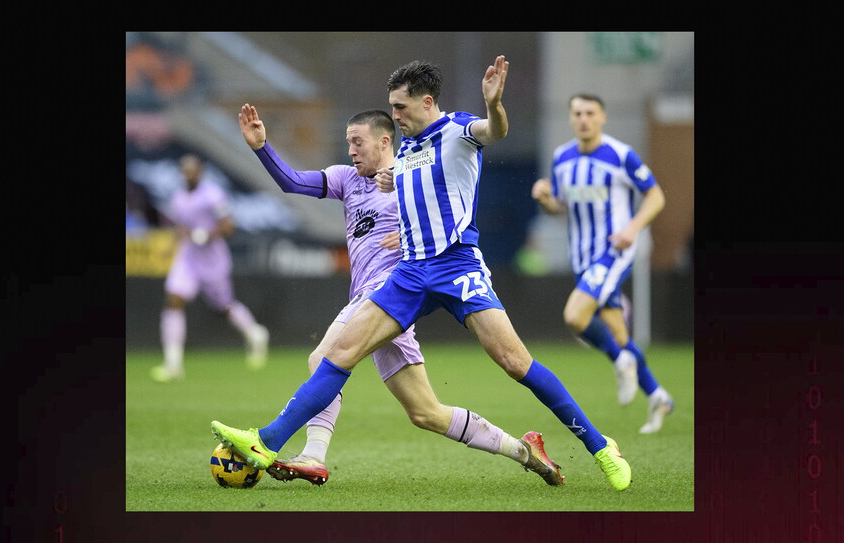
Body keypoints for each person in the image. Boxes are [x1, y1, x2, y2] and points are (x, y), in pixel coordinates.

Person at [212, 56, 631, 491]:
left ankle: (602, 447)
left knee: (515, 363)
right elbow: (408, 189)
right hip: (411, 273)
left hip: (456, 266)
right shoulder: (406, 152)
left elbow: (496, 132)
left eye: (400, 108)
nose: (395, 116)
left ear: (426, 102)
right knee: (337, 356)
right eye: (391, 109)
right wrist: (396, 193)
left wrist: (495, 105)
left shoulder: (459, 130)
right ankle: (266, 441)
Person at [237, 104, 564, 486]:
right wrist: (262, 147)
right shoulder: (347, 179)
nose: (351, 151)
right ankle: (526, 452)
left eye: (357, 143)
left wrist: (410, 234)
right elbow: (293, 182)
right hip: (375, 306)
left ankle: (313, 454)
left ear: (384, 141)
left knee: (322, 357)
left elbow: (449, 223)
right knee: (426, 413)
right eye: (348, 143)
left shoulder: (412, 180)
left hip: (390, 293)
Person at [530, 93, 674, 433]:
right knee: (620, 335)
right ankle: (657, 395)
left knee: (574, 316)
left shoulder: (619, 154)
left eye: (590, 113)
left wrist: (632, 229)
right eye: (577, 113)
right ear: (570, 118)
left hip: (614, 250)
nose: (583, 119)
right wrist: (546, 198)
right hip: (582, 256)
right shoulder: (562, 158)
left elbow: (656, 195)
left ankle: (622, 361)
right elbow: (559, 208)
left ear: (602, 117)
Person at [149, 153, 269, 382]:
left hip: (213, 260)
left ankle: (255, 333)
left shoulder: (213, 196)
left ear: (200, 172)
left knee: (223, 306)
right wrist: (170, 245)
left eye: (192, 169)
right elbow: (180, 228)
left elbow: (229, 226)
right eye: (185, 170)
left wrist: (207, 234)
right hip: (188, 258)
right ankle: (172, 364)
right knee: (174, 298)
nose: (189, 174)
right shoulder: (177, 198)